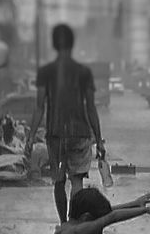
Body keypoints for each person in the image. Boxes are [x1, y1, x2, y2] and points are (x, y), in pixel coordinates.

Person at [28, 23, 104, 223]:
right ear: (72, 43)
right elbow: (91, 108)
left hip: (56, 136)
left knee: (59, 181)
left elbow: (39, 107)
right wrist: (100, 140)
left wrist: (29, 138)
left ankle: (63, 223)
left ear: (54, 44)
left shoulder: (46, 72)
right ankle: (74, 222)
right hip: (80, 135)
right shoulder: (83, 72)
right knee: (77, 181)